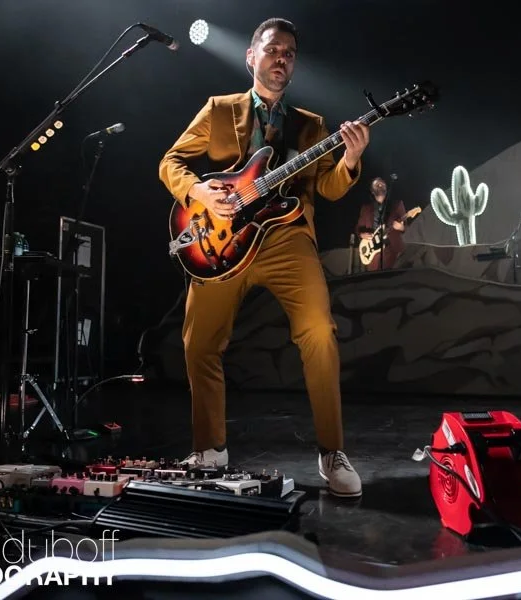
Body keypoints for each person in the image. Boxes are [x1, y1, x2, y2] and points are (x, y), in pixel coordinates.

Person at [157, 17, 370, 497]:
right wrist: (199, 192)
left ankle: (332, 451)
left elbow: (329, 187)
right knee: (199, 341)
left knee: (319, 332)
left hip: (286, 239)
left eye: (290, 53)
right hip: (222, 237)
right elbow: (171, 162)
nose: (282, 59)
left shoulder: (312, 125)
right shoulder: (219, 110)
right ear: (251, 56)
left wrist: (350, 160)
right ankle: (210, 448)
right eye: (273, 49)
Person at [355, 177, 406, 271]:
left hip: (392, 251)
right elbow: (359, 228)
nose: (380, 185)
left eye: (382, 183)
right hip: (374, 255)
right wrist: (362, 234)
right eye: (376, 184)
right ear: (372, 191)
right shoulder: (366, 208)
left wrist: (401, 227)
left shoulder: (397, 205)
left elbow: (407, 227)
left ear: (386, 188)